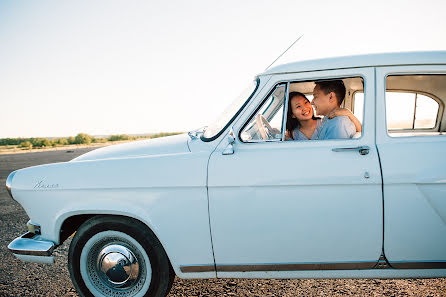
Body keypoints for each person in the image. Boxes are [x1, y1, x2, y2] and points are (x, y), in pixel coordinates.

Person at [285, 91, 361, 140]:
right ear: (292, 114)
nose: (305, 108)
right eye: (298, 106)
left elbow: (361, 131)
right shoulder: (293, 134)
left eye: (306, 102)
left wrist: (349, 113)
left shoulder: (325, 122)